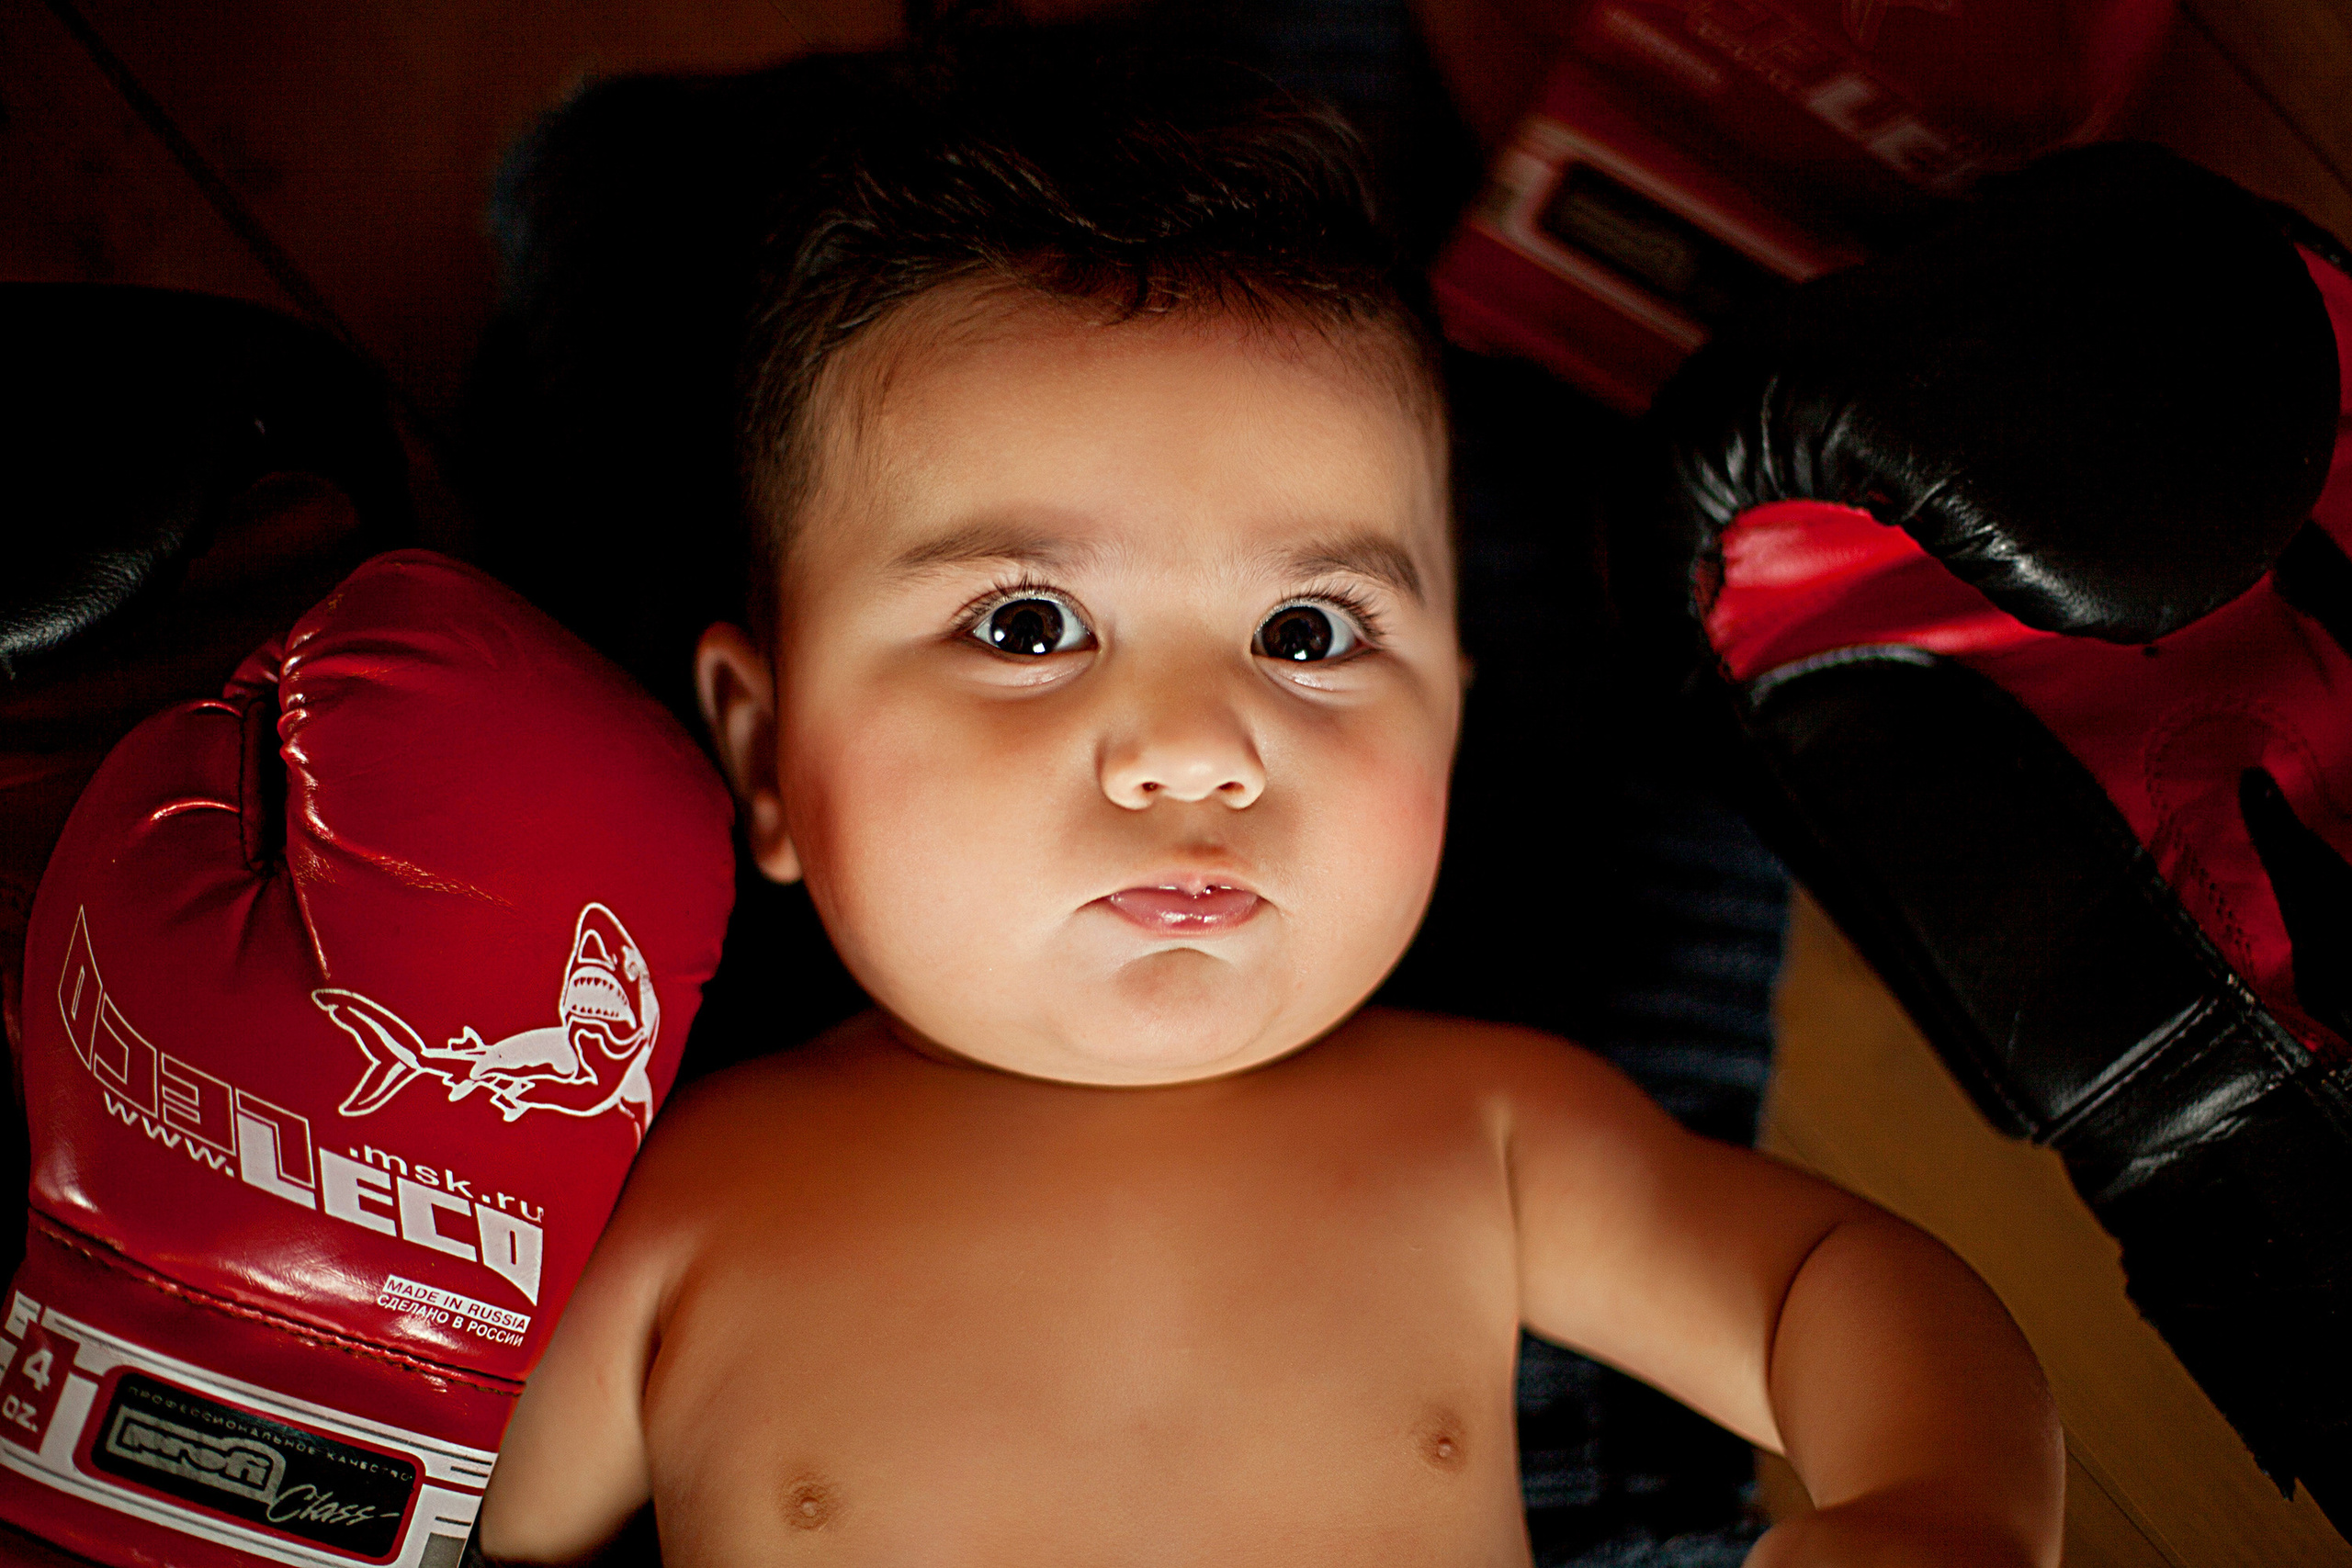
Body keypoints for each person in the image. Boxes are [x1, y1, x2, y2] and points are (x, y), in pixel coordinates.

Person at [472, 36, 2062, 1567]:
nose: (1197, 748)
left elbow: (1819, 1287)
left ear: (1451, 716)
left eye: (1308, 635)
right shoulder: (671, 1198)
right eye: (1028, 626)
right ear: (763, 756)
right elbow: (427, 1508)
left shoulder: (1486, 1131)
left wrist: (1940, 1499)